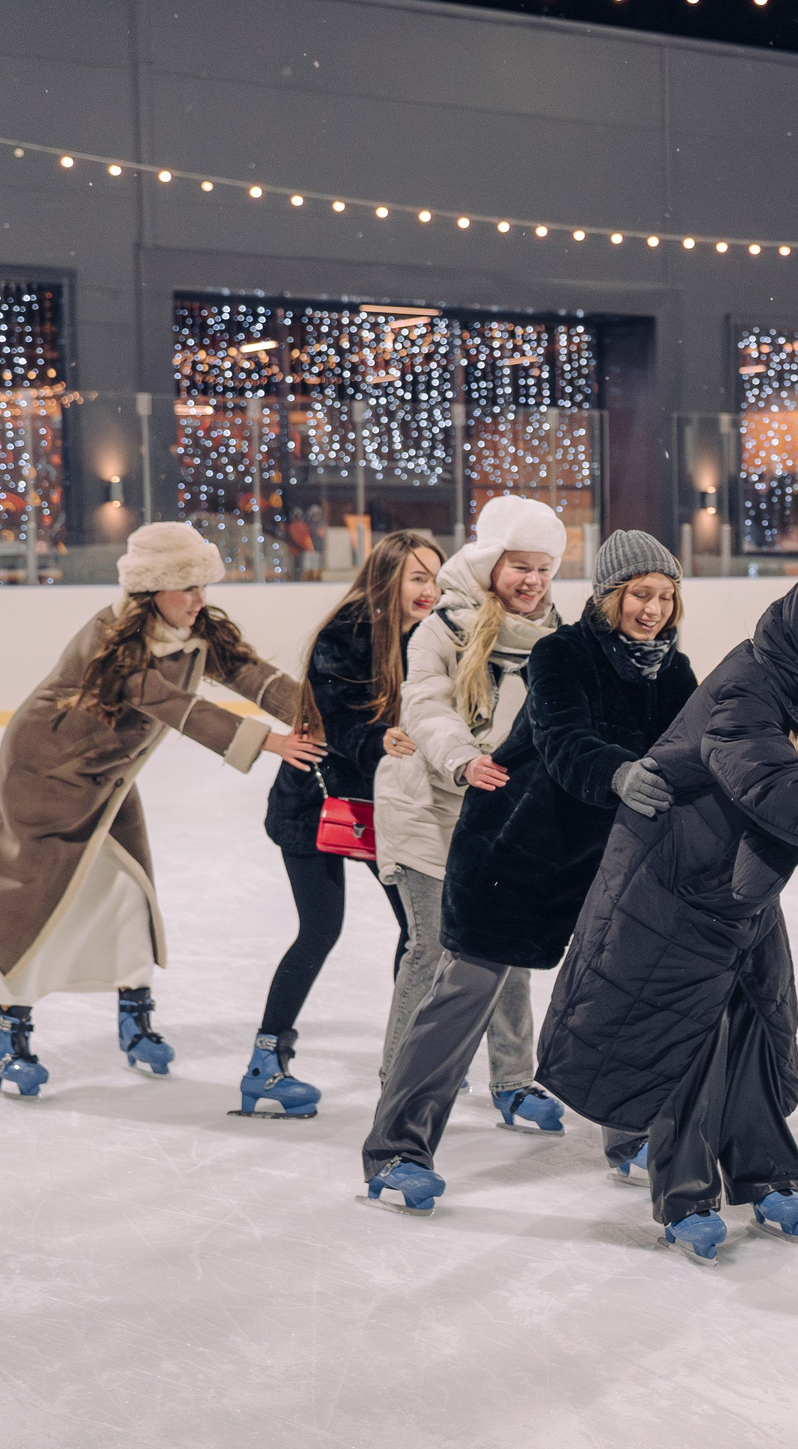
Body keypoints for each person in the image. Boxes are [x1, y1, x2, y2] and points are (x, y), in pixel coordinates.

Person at [537, 562, 798, 1257]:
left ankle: (764, 1172)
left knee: (763, 1023)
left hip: (740, 884)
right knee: (687, 1037)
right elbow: (771, 785)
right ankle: (684, 1197)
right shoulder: (746, 687)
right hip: (673, 882)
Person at [360, 531, 699, 1215]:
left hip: (609, 863)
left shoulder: (675, 672)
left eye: (665, 596)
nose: (653, 609)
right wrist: (621, 770)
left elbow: (692, 752)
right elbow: (567, 744)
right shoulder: (560, 655)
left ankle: (629, 1134)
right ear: (609, 596)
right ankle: (397, 1148)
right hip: (514, 853)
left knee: (620, 998)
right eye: (639, 594)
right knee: (461, 998)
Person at [0, 522, 315, 1096]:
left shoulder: (195, 628)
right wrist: (269, 742)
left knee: (129, 891)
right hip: (46, 776)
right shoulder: (113, 641)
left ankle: (135, 1021)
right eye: (187, 589)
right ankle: (9, 1037)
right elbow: (173, 704)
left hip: (108, 776)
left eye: (202, 587)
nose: (199, 600)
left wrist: (318, 713)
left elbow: (252, 675)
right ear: (151, 590)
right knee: (32, 902)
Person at [373, 494, 566, 1131]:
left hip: (505, 815)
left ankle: (513, 1080)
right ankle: (400, 1082)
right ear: (490, 565)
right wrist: (461, 758)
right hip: (428, 808)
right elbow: (425, 705)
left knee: (502, 946)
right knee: (434, 951)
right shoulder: (444, 628)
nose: (532, 580)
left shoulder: (555, 636)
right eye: (519, 566)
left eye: (543, 567)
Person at [239, 529, 442, 1116]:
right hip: (316, 803)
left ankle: (409, 1056)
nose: (430, 589)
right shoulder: (346, 634)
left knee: (421, 931)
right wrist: (386, 738)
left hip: (386, 803)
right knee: (321, 928)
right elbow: (345, 726)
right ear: (388, 580)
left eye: (435, 576)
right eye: (417, 578)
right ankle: (265, 1061)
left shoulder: (434, 633)